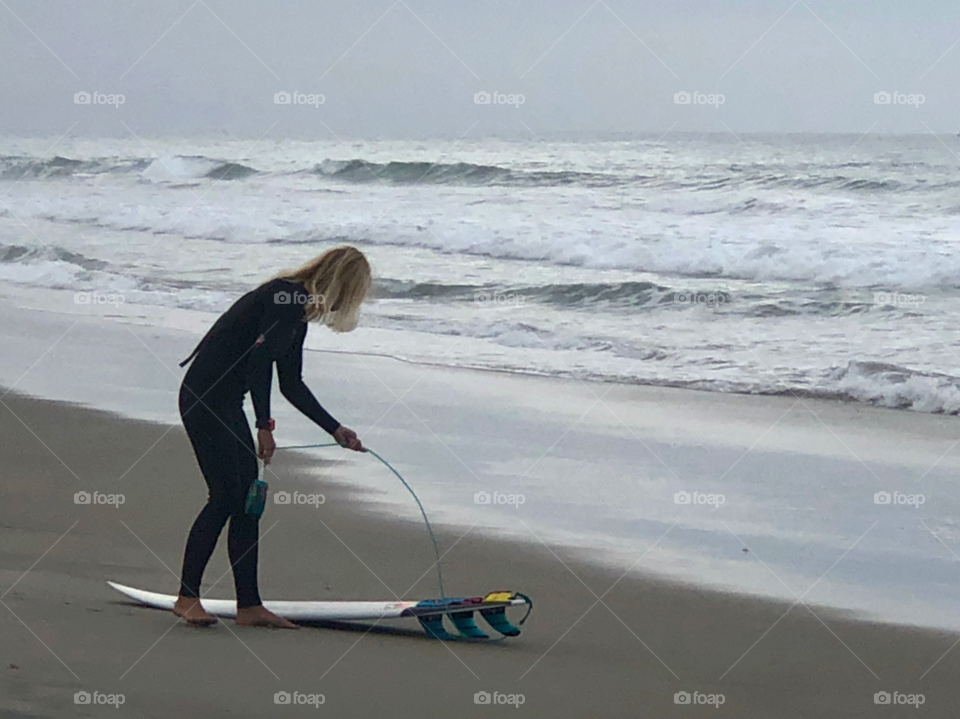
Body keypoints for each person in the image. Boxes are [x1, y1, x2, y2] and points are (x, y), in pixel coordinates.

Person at [173, 246, 371, 627]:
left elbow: (291, 382)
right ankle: (186, 596)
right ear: (340, 284)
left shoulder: (297, 312)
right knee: (225, 496)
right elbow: (259, 363)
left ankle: (249, 605)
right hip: (204, 399)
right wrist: (264, 425)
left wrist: (335, 429)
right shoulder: (287, 298)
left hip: (226, 402)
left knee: (248, 501)